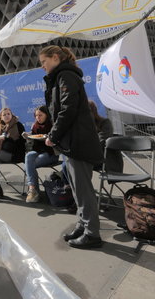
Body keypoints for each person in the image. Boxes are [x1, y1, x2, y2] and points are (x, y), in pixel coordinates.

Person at [40, 45, 104, 249]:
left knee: (83, 191)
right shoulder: (61, 77)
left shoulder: (66, 76)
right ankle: (82, 226)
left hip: (78, 142)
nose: (43, 66)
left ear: (56, 57)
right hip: (71, 143)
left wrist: (53, 135)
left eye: (44, 61)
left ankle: (92, 234)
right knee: (77, 190)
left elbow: (67, 110)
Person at [22, 105, 59, 203]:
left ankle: (33, 190)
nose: (38, 117)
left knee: (28, 167)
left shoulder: (52, 125)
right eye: (36, 115)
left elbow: (57, 142)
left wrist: (49, 138)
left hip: (51, 153)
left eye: (40, 115)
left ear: (46, 115)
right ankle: (33, 189)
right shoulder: (35, 126)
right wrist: (28, 137)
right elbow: (34, 142)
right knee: (28, 155)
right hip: (38, 152)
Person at [88, 100, 123, 173]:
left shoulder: (105, 122)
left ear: (93, 111)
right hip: (89, 157)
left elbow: (101, 141)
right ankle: (65, 182)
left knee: (79, 165)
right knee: (71, 164)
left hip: (103, 158)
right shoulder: (83, 126)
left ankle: (67, 182)